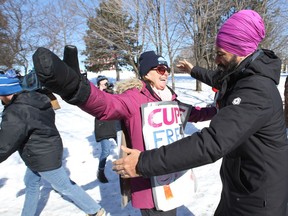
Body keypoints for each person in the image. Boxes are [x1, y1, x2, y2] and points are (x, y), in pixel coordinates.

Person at [112, 9, 288, 216]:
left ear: (240, 51)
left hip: (260, 199)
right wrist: (193, 70)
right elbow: (218, 78)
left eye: (220, 54)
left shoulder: (256, 90)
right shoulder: (241, 74)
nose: (216, 59)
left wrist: (143, 163)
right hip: (242, 186)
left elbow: (211, 143)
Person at [32, 47, 217, 215]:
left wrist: (219, 110)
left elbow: (193, 114)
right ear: (146, 73)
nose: (166, 73)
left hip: (172, 175)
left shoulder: (170, 99)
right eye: (160, 69)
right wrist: (76, 88)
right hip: (150, 184)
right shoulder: (133, 98)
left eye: (167, 69)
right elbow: (105, 105)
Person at [0, 71, 105, 216]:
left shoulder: (16, 111)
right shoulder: (35, 99)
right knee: (31, 183)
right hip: (43, 149)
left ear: (5, 93)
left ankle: (95, 210)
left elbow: (5, 143)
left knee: (64, 186)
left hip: (42, 155)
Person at [94, 75, 117, 183]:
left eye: (106, 83)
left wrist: (112, 91)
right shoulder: (96, 95)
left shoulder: (111, 94)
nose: (105, 85)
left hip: (114, 124)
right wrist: (101, 92)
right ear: (98, 85)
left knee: (123, 147)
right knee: (106, 151)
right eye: (103, 83)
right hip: (102, 126)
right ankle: (100, 172)